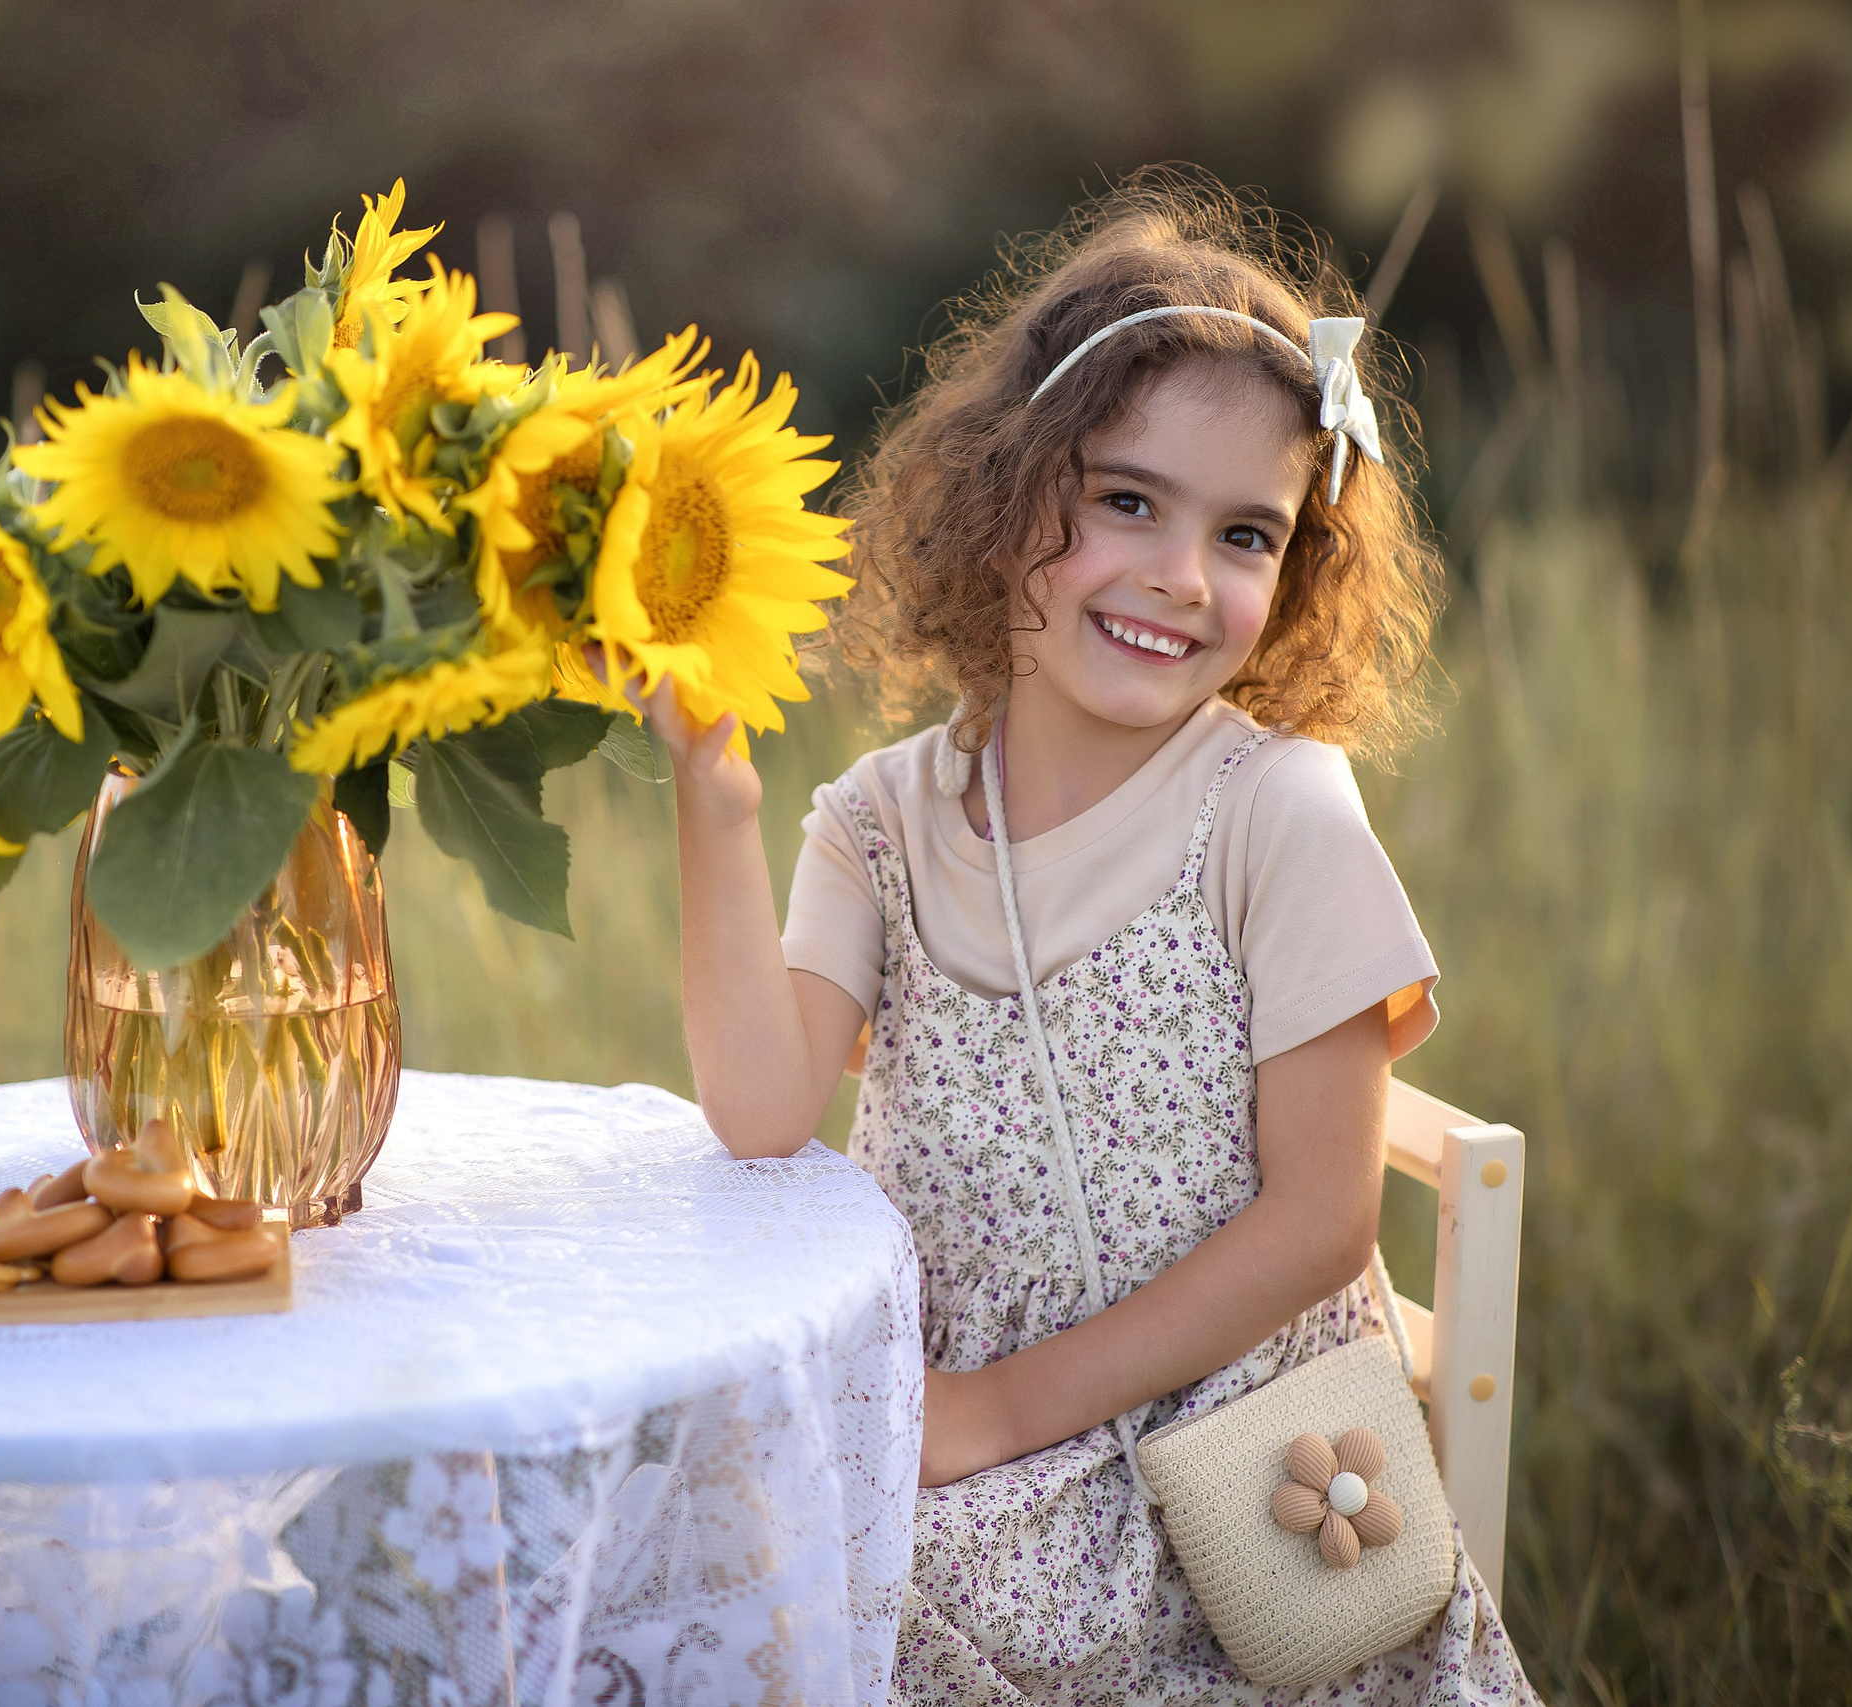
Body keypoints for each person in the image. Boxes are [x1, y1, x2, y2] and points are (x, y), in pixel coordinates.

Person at [621, 173, 1539, 1703]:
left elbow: (1319, 1225)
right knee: (679, 1570)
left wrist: (985, 1413)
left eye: (1246, 535)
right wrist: (712, 798)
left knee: (785, 1619)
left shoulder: (1281, 815)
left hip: (1214, 1493)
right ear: (1005, 496)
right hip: (966, 1450)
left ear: (1294, 575)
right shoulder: (883, 820)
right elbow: (763, 1111)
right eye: (1128, 501)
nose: (1181, 577)